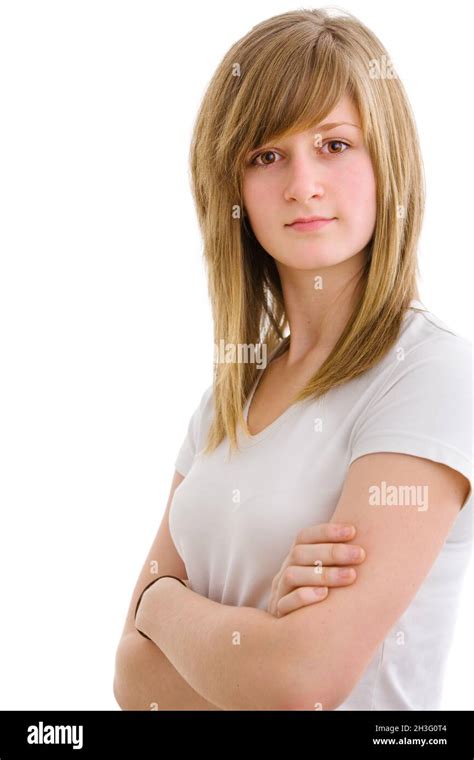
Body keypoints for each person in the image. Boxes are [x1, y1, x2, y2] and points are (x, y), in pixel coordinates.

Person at [115, 7, 472, 711]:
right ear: (234, 188)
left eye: (334, 145)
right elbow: (132, 681)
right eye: (266, 156)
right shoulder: (224, 402)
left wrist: (160, 605)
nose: (302, 184)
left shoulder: (432, 378)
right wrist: (254, 636)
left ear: (386, 160)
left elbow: (298, 683)